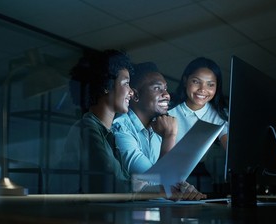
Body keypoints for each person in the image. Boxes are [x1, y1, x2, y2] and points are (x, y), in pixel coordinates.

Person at [52, 50, 199, 200]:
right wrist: (164, 189)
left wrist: (173, 188)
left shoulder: (105, 133)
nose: (130, 91)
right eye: (126, 83)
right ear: (106, 85)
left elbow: (126, 181)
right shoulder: (89, 127)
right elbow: (112, 184)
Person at [112, 62, 206, 200]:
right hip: (131, 216)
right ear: (135, 95)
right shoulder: (120, 127)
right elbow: (152, 182)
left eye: (166, 89)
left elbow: (171, 180)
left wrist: (185, 188)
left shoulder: (158, 127)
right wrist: (169, 136)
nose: (167, 95)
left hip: (157, 211)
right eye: (157, 88)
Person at [168, 57, 228, 149]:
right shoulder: (168, 108)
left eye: (210, 85)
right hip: (164, 161)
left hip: (199, 164)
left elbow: (230, 149)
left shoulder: (219, 114)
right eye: (196, 81)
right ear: (185, 81)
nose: (202, 89)